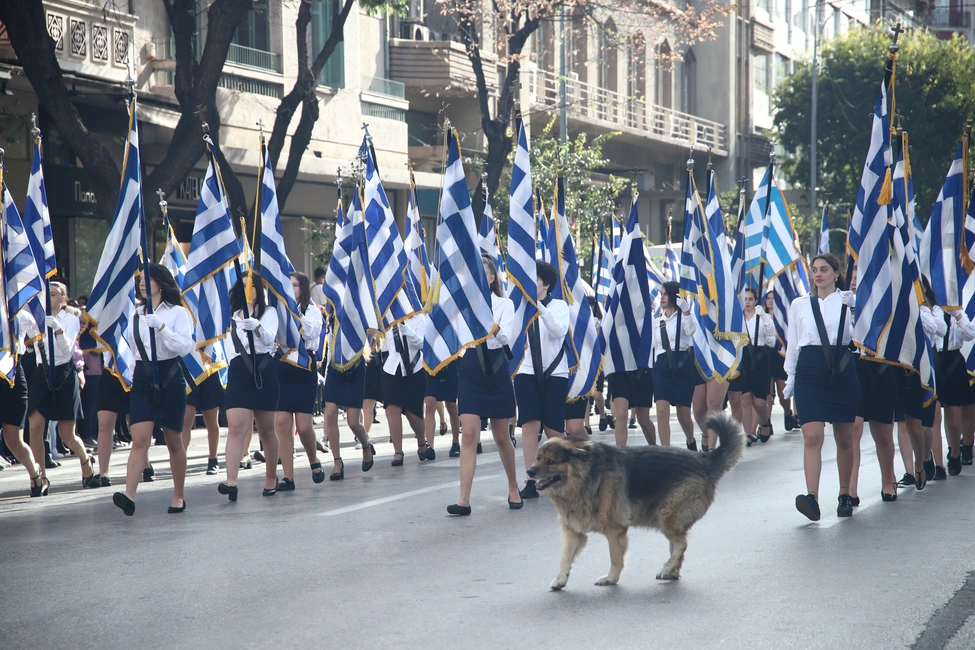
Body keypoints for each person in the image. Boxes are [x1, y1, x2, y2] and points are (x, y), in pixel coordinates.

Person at [112, 264, 194, 515]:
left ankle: (178, 495)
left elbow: (185, 347)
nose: (143, 283)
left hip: (170, 376)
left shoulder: (178, 313)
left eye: (148, 279)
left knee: (173, 441)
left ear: (162, 282)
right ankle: (129, 495)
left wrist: (161, 327)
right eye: (140, 280)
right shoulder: (136, 314)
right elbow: (134, 350)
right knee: (140, 439)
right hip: (144, 377)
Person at [784, 253, 859, 521]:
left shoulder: (848, 301)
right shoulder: (799, 304)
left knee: (844, 437)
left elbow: (863, 337)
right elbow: (794, 342)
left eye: (824, 269)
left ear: (836, 273)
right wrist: (790, 376)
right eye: (814, 269)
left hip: (841, 367)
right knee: (812, 435)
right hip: (809, 370)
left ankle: (844, 494)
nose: (818, 274)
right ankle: (812, 498)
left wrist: (855, 309)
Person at [448, 255, 522, 515]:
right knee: (469, 433)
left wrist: (484, 316)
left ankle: (514, 487)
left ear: (491, 278)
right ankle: (464, 499)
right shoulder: (463, 304)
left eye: (484, 273)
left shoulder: (505, 304)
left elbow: (504, 336)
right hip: (470, 368)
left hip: (496, 366)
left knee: (502, 436)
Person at [26, 281, 98, 489]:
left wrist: (57, 329)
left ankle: (86, 462)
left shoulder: (70, 319)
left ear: (63, 299)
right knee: (36, 425)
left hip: (64, 373)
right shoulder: (37, 316)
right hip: (43, 372)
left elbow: (68, 352)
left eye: (54, 294)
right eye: (47, 294)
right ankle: (40, 477)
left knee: (67, 434)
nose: (49, 298)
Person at [217, 271, 281, 501]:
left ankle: (271, 478)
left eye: (251, 286)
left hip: (264, 370)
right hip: (239, 372)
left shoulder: (269, 313)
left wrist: (256, 327)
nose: (247, 290)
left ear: (259, 290)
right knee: (236, 427)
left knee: (266, 430)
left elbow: (270, 339)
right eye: (243, 285)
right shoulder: (232, 316)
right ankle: (231, 481)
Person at [517, 260, 571, 499]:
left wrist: (538, 306)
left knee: (554, 429)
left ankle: (564, 474)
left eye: (535, 281)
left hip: (554, 373)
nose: (531, 285)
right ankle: (531, 479)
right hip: (526, 371)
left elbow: (558, 331)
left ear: (546, 284)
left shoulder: (559, 306)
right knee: (530, 425)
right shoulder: (519, 306)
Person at [847, 267, 898, 504]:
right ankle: (850, 488)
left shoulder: (885, 304)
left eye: (860, 279)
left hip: (880, 368)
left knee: (883, 434)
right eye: (853, 279)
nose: (855, 283)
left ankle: (888, 480)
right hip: (855, 369)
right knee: (853, 430)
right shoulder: (844, 305)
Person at [274, 272, 327, 489]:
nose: (291, 289)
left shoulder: (312, 311)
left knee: (304, 427)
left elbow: (311, 332)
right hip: (284, 367)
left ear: (303, 289)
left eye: (295, 286)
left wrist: (293, 313)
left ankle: (313, 460)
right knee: (282, 423)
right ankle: (288, 476)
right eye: (289, 285)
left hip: (305, 368)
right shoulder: (278, 311)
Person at [927, 275, 975, 476]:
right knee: (935, 415)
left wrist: (957, 314)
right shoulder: (928, 309)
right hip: (933, 360)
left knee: (954, 418)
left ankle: (958, 450)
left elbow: (969, 334)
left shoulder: (957, 308)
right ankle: (943, 457)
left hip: (953, 361)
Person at [2, 310, 46, 496]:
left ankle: (35, 474)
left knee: (14, 441)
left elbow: (38, 330)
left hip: (11, 376)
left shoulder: (17, 311)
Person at [651, 282, 696, 449]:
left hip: (683, 364)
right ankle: (666, 451)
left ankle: (690, 440)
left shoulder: (684, 317)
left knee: (683, 415)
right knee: (661, 410)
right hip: (662, 366)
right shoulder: (657, 321)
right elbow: (655, 346)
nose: (662, 297)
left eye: (666, 294)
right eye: (661, 293)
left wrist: (686, 311)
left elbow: (692, 331)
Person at [382, 313, 431, 466]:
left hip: (414, 370)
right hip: (392, 369)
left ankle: (422, 443)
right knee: (392, 409)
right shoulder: (388, 318)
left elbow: (423, 344)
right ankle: (398, 452)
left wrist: (406, 329)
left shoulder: (419, 319)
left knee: (413, 414)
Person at [728, 288, 775, 446]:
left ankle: (765, 422)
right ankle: (747, 433)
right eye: (745, 299)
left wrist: (763, 317)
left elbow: (771, 340)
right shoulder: (738, 317)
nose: (747, 302)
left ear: (755, 301)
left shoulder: (762, 317)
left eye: (750, 299)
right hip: (743, 358)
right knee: (745, 399)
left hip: (760, 358)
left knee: (759, 402)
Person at [564, 297, 604, 437]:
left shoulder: (590, 323)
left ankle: (591, 454)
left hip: (581, 370)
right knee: (559, 427)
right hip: (558, 372)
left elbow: (594, 346)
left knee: (574, 426)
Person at [764, 292, 796, 431]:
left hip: (781, 354)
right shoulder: (761, 316)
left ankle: (787, 412)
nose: (771, 301)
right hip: (766, 355)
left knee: (782, 390)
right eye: (768, 299)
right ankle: (767, 422)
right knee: (767, 393)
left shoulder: (784, 317)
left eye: (773, 299)